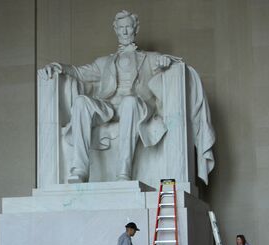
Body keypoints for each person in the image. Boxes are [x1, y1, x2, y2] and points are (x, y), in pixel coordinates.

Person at [41, 10, 174, 183]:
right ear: (115, 30)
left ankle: (123, 173)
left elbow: (172, 63)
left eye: (128, 27)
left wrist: (166, 62)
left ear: (136, 28)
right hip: (109, 108)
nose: (124, 31)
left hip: (136, 107)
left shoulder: (150, 58)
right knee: (81, 102)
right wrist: (58, 66)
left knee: (129, 102)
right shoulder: (103, 62)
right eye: (121, 28)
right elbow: (78, 72)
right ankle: (80, 170)